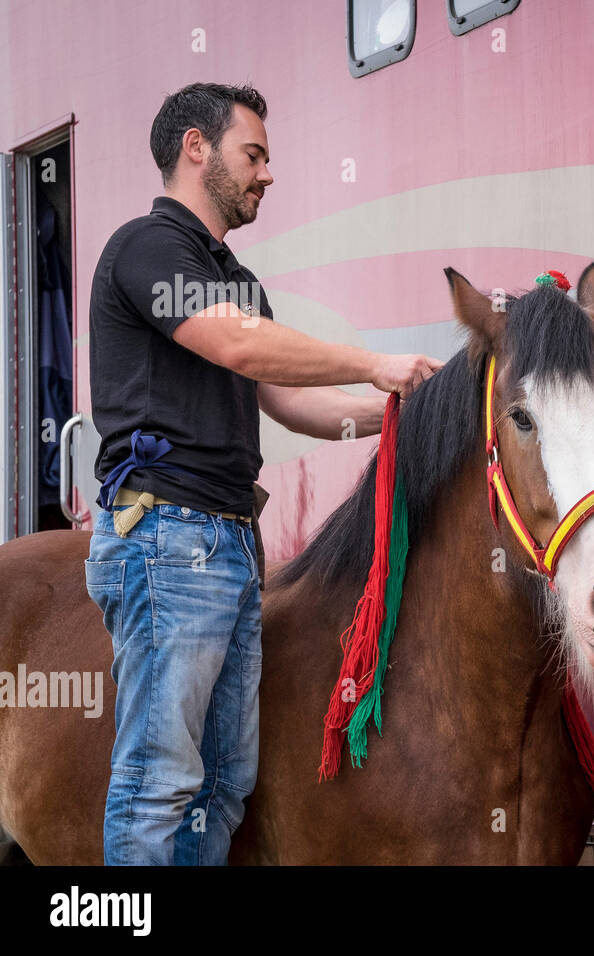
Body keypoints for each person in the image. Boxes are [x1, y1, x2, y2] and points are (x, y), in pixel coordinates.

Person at [84, 82, 440, 865]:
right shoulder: (146, 250)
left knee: (222, 786)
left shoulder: (237, 281)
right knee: (160, 782)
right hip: (167, 540)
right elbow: (240, 348)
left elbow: (285, 402)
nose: (268, 173)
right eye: (256, 153)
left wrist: (408, 412)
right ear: (195, 147)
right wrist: (377, 362)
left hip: (229, 548)